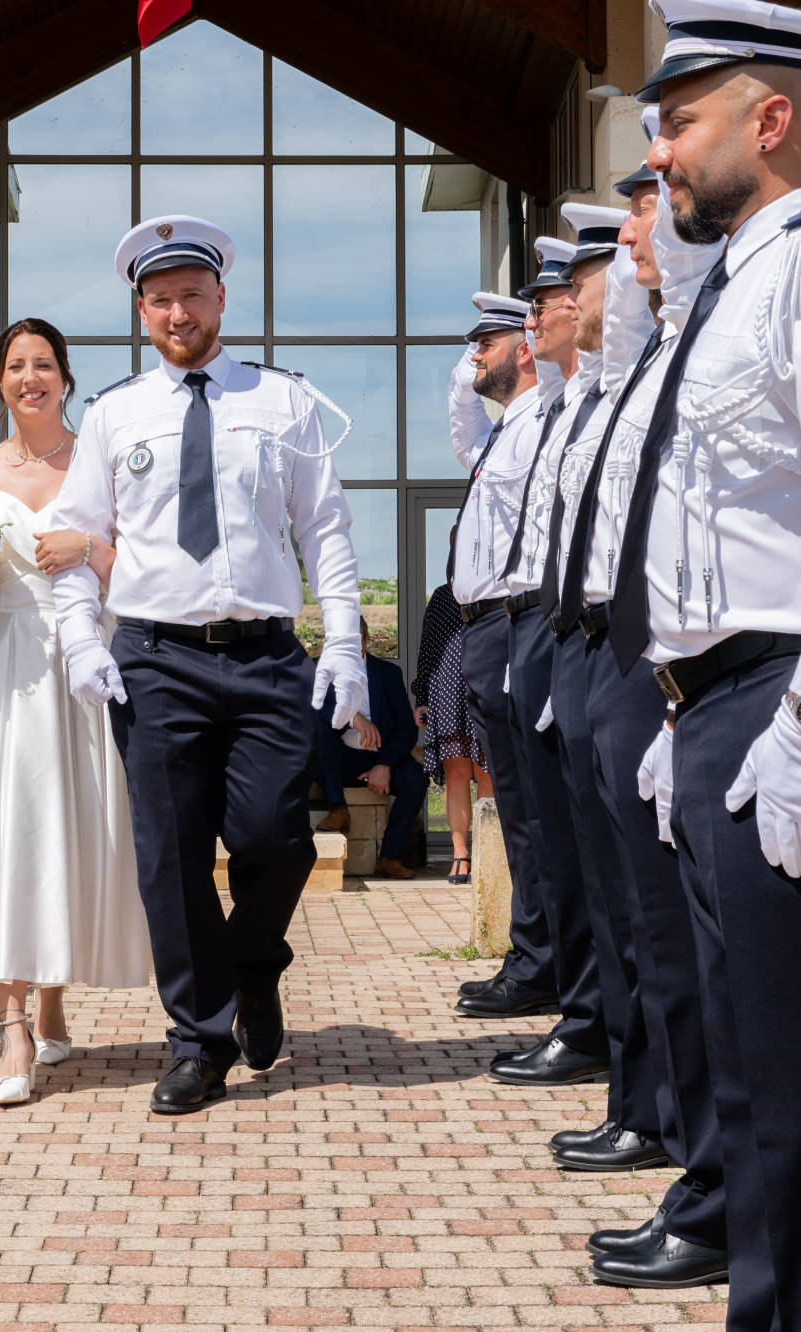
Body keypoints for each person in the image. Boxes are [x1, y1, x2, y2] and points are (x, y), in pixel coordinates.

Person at [611, 1, 801, 1319]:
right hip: (719, 706)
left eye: (680, 123)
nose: (660, 155)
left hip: (786, 702)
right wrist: (684, 710)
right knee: (748, 1075)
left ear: (769, 120)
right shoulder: (725, 294)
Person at [50, 214, 368, 1114]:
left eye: (192, 294)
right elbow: (80, 543)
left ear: (221, 297)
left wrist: (342, 640)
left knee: (276, 835)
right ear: (142, 314)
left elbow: (326, 531)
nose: (178, 311)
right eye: (161, 300)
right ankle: (197, 1037)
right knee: (172, 860)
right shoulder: (115, 413)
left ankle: (254, 963)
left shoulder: (286, 401)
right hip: (154, 659)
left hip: (264, 656)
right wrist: (82, 639)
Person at [547, 141, 734, 1286]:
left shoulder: (706, 334)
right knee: (636, 924)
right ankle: (659, 1120)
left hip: (689, 666)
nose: (626, 244)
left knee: (673, 937)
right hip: (616, 659)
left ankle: (690, 1152)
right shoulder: (638, 365)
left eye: (647, 213)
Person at [0, 317, 152, 1107]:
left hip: (76, 661)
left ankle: (54, 994)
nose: (30, 378)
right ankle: (13, 1025)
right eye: (16, 366)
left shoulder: (103, 459)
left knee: (66, 829)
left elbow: (143, 578)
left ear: (66, 376)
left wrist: (87, 551)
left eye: (44, 364)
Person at [481, 252, 615, 1094]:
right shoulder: (554, 409)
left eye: (555, 299)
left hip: (570, 621)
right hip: (540, 625)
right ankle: (579, 1001)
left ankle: (583, 1005)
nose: (538, 318)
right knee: (555, 828)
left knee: (580, 837)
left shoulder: (573, 404)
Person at [443, 287, 568, 1021]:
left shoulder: (540, 422)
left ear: (522, 348)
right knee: (516, 803)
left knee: (529, 809)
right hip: (487, 627)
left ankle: (540, 960)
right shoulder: (501, 435)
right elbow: (463, 433)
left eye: (482, 346)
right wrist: (469, 377)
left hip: (516, 621)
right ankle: (531, 954)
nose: (471, 361)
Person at [314, 622, 427, 880]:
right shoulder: (316, 669)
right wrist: (353, 718)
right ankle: (337, 809)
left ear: (366, 641)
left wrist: (384, 765)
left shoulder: (387, 673)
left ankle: (389, 857)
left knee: (416, 778)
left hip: (379, 756)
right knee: (314, 728)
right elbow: (309, 711)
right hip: (337, 760)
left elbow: (406, 728)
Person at [408, 581, 490, 883]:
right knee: (455, 774)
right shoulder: (443, 596)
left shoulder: (495, 590)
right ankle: (460, 855)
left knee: (486, 773)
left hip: (486, 685)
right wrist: (423, 699)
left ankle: (484, 853)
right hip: (448, 689)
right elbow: (428, 648)